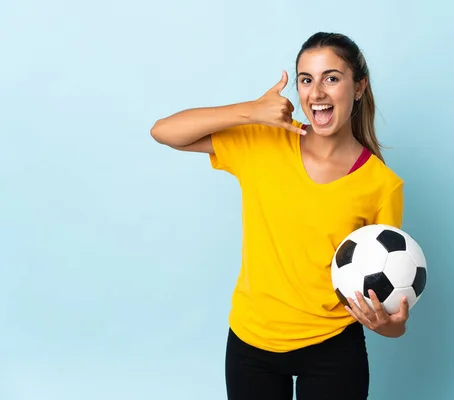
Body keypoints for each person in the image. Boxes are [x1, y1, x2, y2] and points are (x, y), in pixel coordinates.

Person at [150, 32, 410, 400]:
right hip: (251, 344)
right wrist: (250, 112)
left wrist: (391, 326)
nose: (316, 92)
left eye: (331, 78)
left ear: (359, 87)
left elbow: (387, 305)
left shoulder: (382, 185)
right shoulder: (264, 141)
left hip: (333, 350)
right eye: (307, 80)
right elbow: (163, 131)